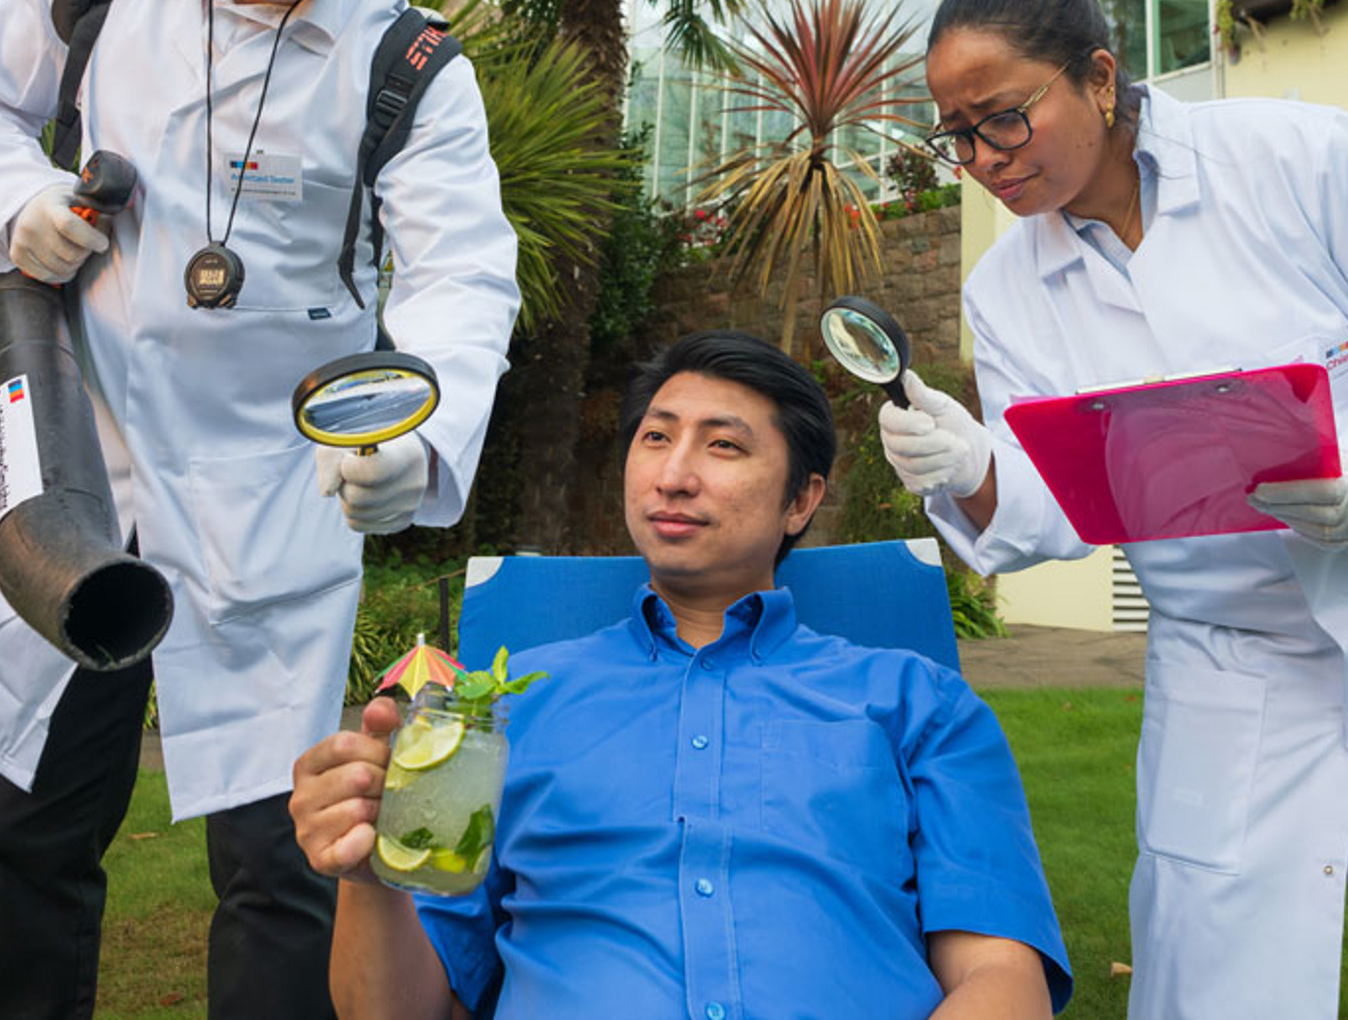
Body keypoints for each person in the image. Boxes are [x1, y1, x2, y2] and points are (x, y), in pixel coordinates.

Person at [0, 0, 520, 1020]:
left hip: (272, 493)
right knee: (27, 835)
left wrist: (422, 443)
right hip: (85, 467)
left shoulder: (411, 63)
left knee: (282, 868)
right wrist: (20, 201)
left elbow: (463, 274)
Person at [878, 0, 1348, 1020]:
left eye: (1001, 117)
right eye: (956, 134)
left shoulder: (1292, 155)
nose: (982, 160)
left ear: (1097, 76)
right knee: (1220, 977)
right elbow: (1056, 502)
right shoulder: (1008, 287)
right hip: (1231, 660)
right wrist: (975, 469)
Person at [291, 330, 1073, 1020]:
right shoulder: (501, 709)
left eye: (723, 446)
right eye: (656, 439)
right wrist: (371, 880)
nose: (673, 475)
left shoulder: (918, 704)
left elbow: (1003, 979)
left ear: (802, 499)